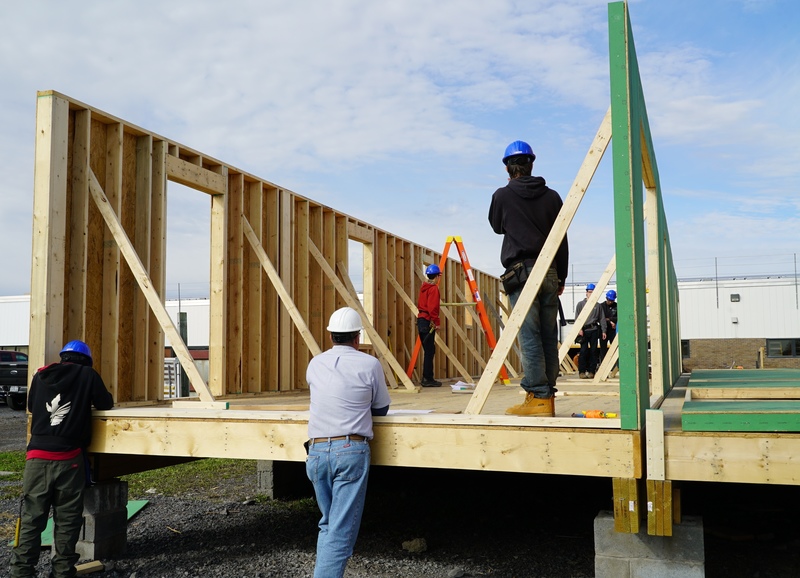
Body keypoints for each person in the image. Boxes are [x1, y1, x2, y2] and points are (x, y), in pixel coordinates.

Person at [10, 340, 114, 578]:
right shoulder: (87, 374)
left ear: (63, 356)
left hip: (36, 458)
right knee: (67, 521)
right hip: (69, 459)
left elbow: (31, 406)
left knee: (31, 520)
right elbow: (105, 403)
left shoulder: (40, 375)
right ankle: (62, 572)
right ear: (86, 359)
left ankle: (21, 572)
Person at [305, 307, 391, 578]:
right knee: (341, 532)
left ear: (331, 335)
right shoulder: (369, 364)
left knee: (328, 524)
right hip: (349, 451)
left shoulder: (315, 363)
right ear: (357, 337)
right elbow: (381, 408)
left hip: (316, 452)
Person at [488, 140, 569, 417]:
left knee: (530, 337)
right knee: (548, 337)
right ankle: (547, 398)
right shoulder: (553, 197)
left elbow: (497, 226)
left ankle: (537, 397)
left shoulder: (502, 195)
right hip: (549, 271)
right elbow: (562, 239)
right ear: (531, 164)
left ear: (509, 168)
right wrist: (561, 277)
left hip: (522, 273)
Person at [417, 264, 442, 387]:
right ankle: (427, 379)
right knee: (429, 351)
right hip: (427, 321)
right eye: (439, 276)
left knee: (428, 350)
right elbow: (432, 308)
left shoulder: (424, 287)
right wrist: (436, 322)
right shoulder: (433, 289)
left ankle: (427, 378)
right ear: (437, 276)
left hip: (421, 321)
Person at [575, 284, 606, 379]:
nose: (590, 294)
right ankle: (582, 371)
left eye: (592, 292)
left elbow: (602, 319)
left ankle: (592, 371)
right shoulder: (581, 304)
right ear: (586, 292)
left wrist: (604, 330)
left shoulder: (598, 306)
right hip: (584, 330)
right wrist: (579, 329)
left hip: (594, 330)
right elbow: (577, 317)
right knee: (583, 351)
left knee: (593, 351)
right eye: (589, 292)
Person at [599, 289, 618, 366]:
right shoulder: (601, 306)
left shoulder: (616, 306)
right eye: (609, 300)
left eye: (612, 300)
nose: (610, 302)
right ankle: (603, 365)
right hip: (604, 330)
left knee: (614, 348)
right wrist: (609, 321)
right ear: (606, 298)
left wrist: (610, 319)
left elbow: (618, 317)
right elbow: (601, 318)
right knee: (603, 349)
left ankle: (614, 365)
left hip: (613, 331)